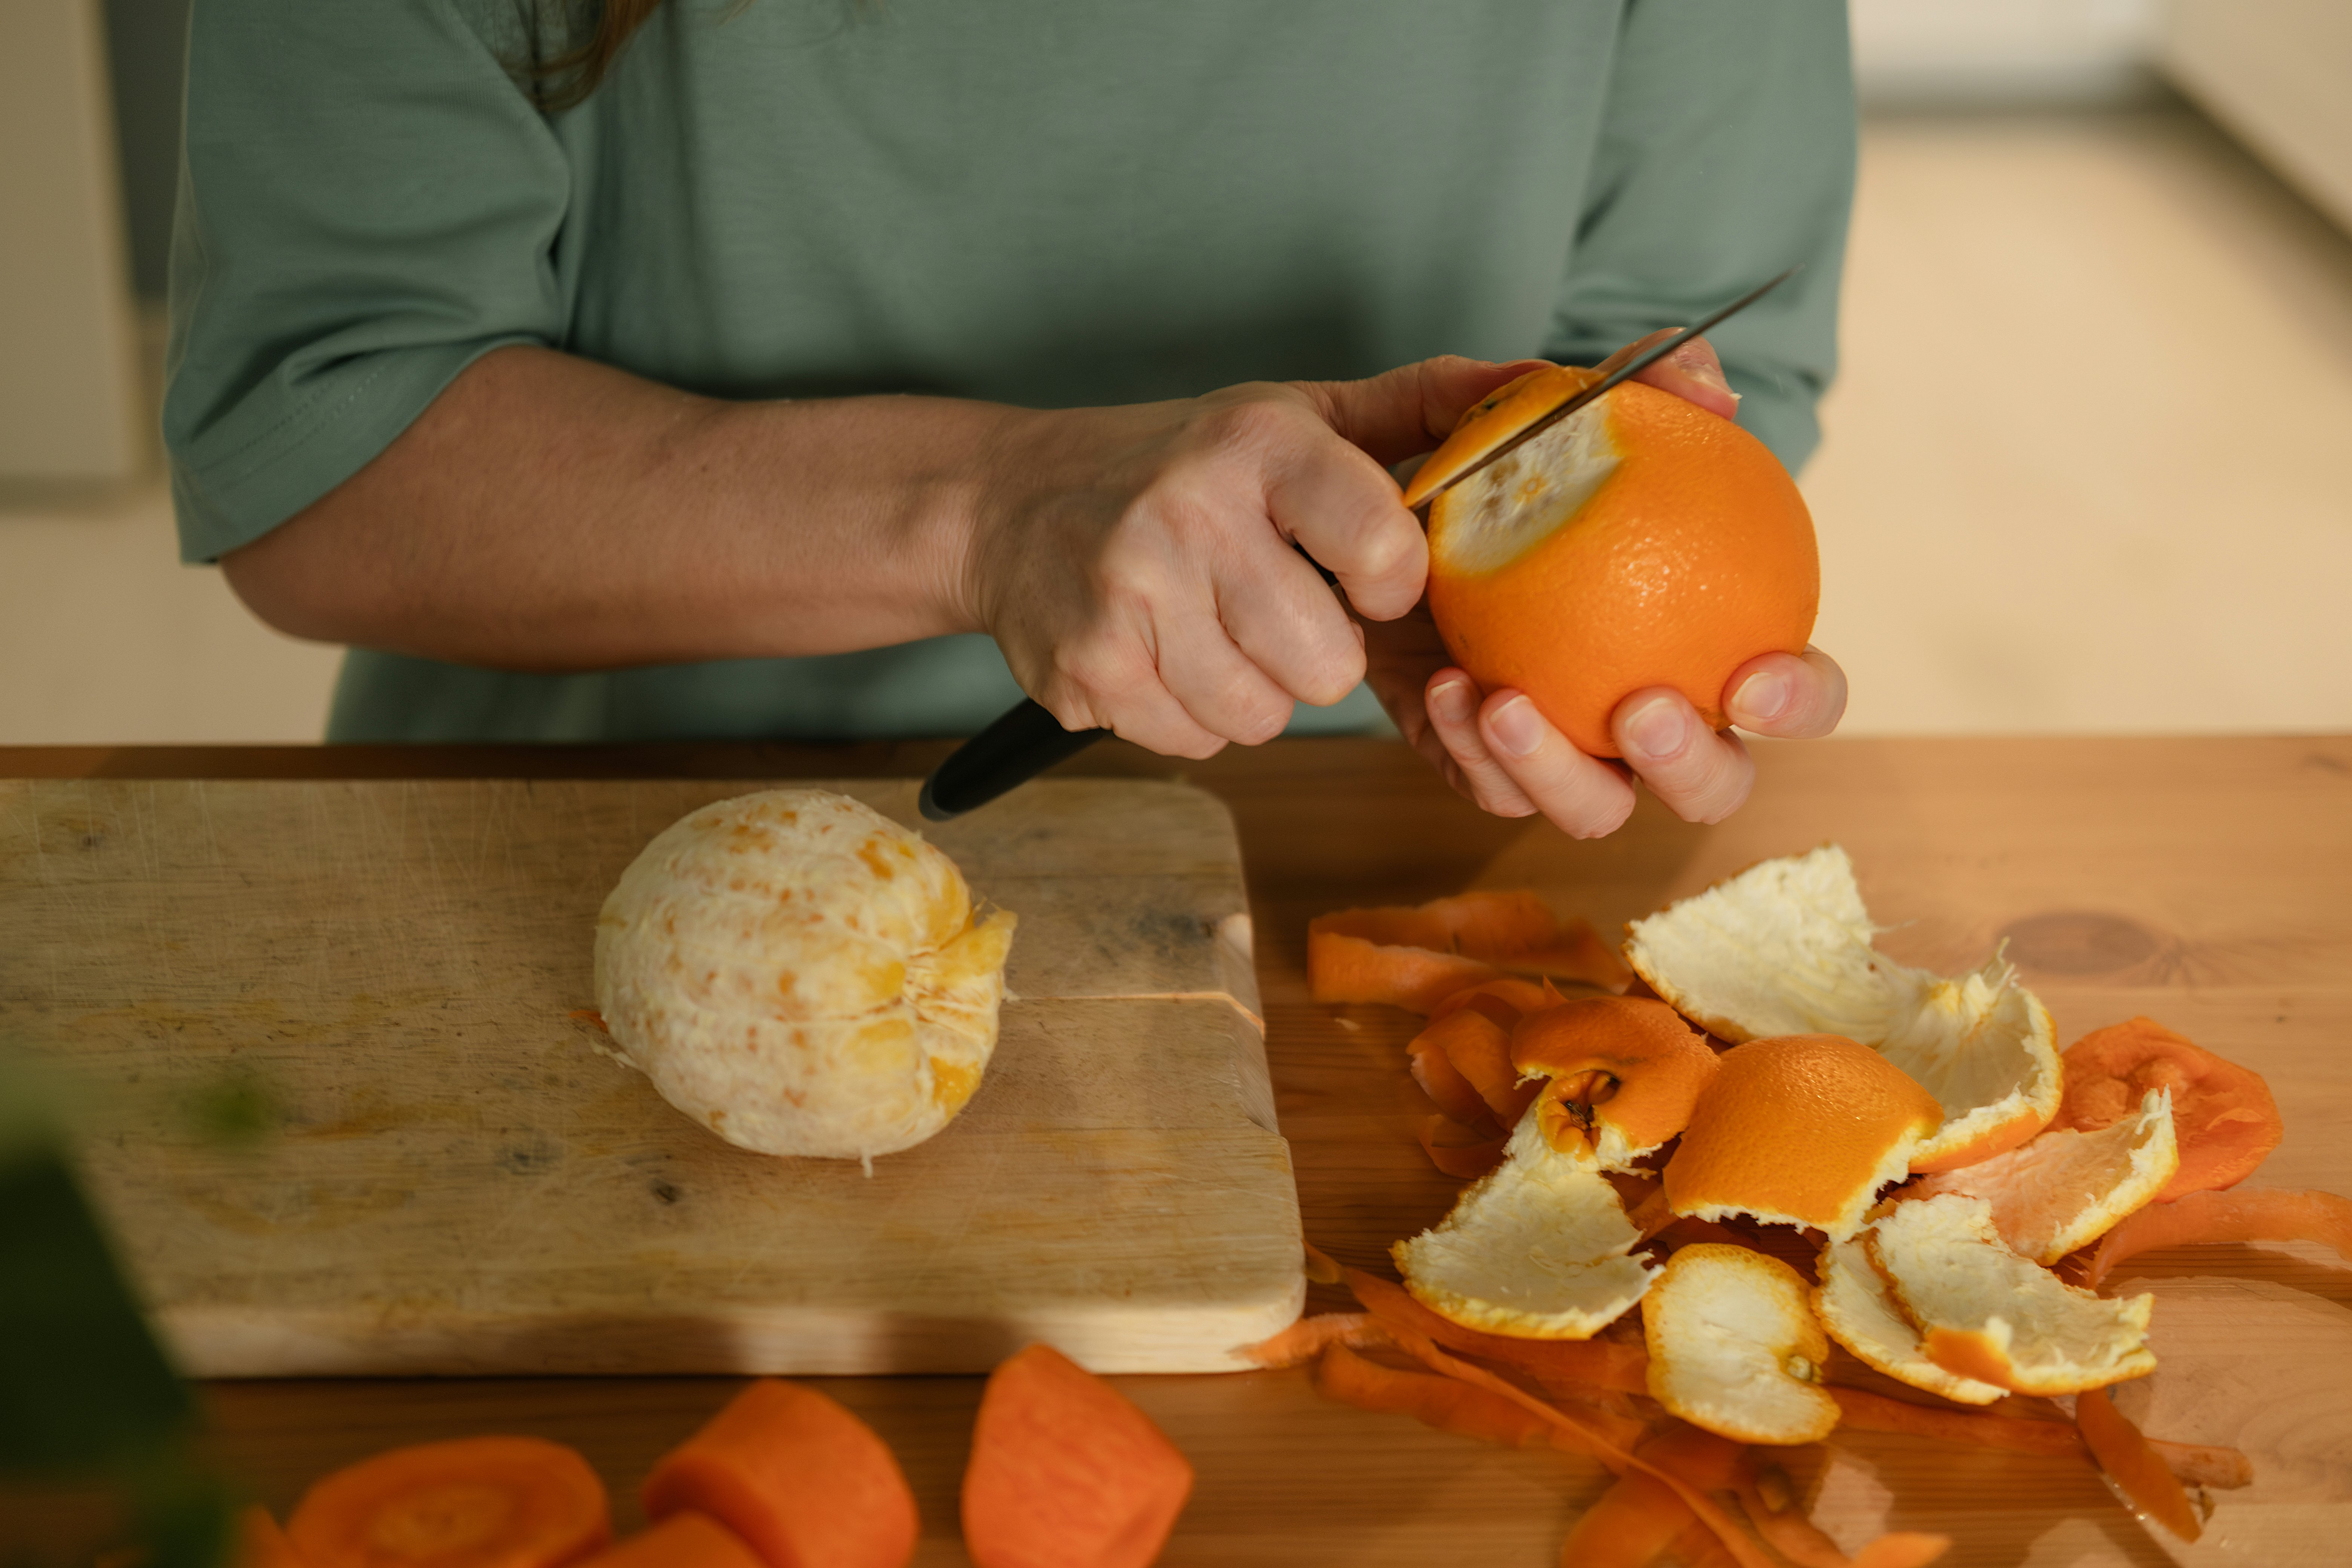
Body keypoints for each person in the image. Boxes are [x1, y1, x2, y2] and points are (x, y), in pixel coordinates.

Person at [165, 0, 1854, 839]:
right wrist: (992, 512)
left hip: (1341, 862)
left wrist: (1534, 643)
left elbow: (1715, 403)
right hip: (586, 836)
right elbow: (326, 442)